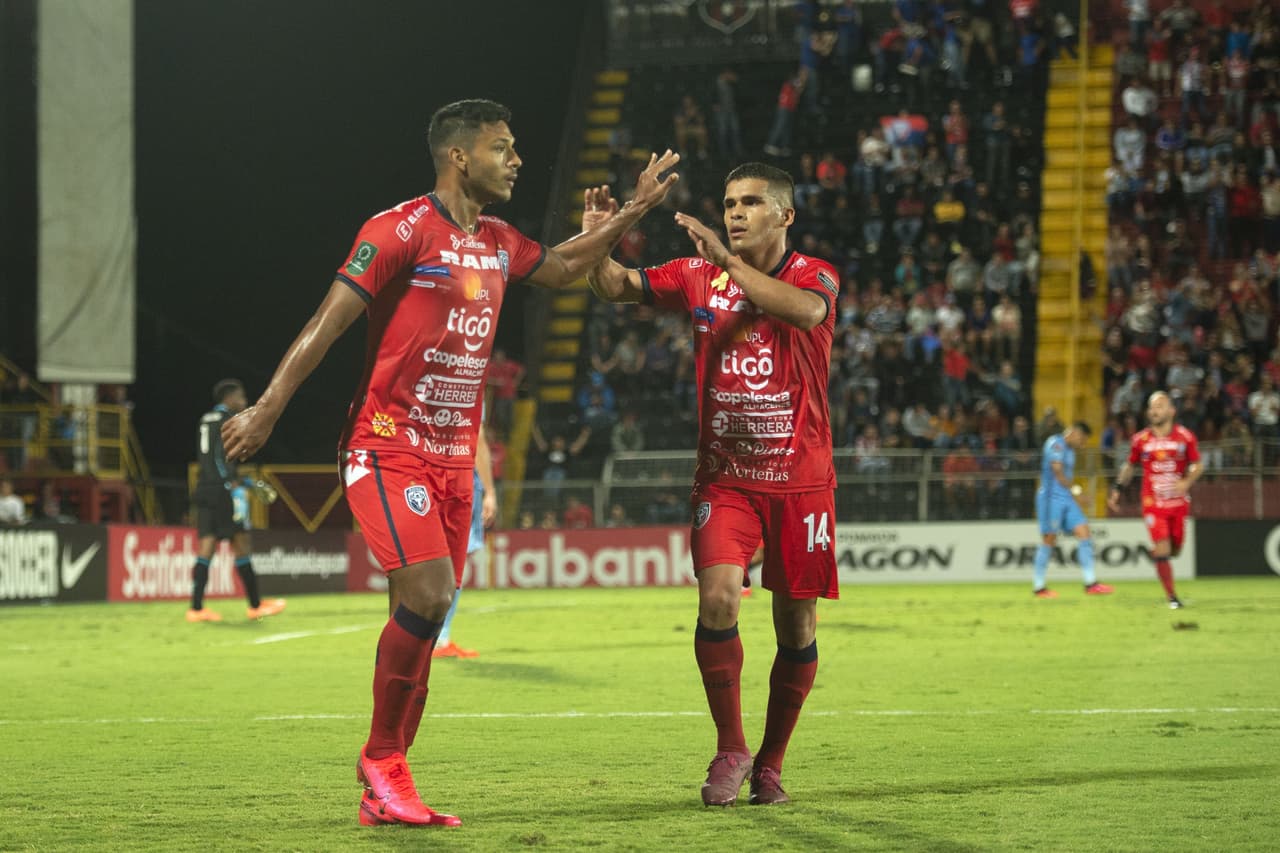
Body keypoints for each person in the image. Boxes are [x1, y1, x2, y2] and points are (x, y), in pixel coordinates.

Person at [220, 99, 679, 828]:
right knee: (431, 595)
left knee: (424, 620)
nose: (518, 158)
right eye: (504, 146)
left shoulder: (497, 239)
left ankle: (388, 785)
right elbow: (325, 323)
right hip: (386, 444)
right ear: (460, 156)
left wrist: (626, 216)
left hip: (453, 461)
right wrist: (268, 408)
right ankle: (381, 759)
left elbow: (561, 267)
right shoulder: (399, 229)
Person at [584, 162, 837, 807]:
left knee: (797, 626)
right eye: (729, 203)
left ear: (785, 215)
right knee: (719, 599)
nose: (736, 212)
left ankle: (772, 766)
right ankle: (731, 748)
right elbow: (614, 286)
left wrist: (726, 260)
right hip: (725, 481)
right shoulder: (698, 276)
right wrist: (605, 234)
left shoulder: (815, 275)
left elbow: (806, 315)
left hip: (801, 483)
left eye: (752, 202)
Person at [186, 379, 286, 624]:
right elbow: (221, 457)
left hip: (204, 487)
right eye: (240, 397)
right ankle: (255, 605)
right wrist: (233, 482)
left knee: (207, 545)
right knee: (241, 541)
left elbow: (207, 456)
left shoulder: (205, 419)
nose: (243, 402)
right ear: (228, 398)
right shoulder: (226, 420)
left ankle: (196, 609)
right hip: (222, 489)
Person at [1108, 391, 1203, 609]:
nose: (1154, 410)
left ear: (1171, 410)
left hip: (1178, 503)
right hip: (1153, 504)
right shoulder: (1140, 439)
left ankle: (1156, 555)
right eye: (1152, 407)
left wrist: (1186, 481)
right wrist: (1117, 488)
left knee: (1175, 550)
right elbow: (1129, 466)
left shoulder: (1184, 437)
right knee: (1163, 549)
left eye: (1160, 406)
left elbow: (1198, 465)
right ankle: (1172, 598)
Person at [432, 424, 497, 659]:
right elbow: (477, 436)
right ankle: (439, 638)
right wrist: (490, 491)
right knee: (454, 560)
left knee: (428, 557)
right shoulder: (469, 387)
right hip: (460, 478)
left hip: (426, 473)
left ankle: (418, 635)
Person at [1032, 422, 1114, 598]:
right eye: (1082, 439)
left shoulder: (1069, 450)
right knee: (1049, 540)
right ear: (1075, 433)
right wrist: (1078, 493)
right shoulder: (1056, 443)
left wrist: (1073, 495)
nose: (1082, 444)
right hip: (1050, 499)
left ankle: (1090, 583)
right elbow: (1057, 472)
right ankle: (1039, 587)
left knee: (1084, 531)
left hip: (1066, 499)